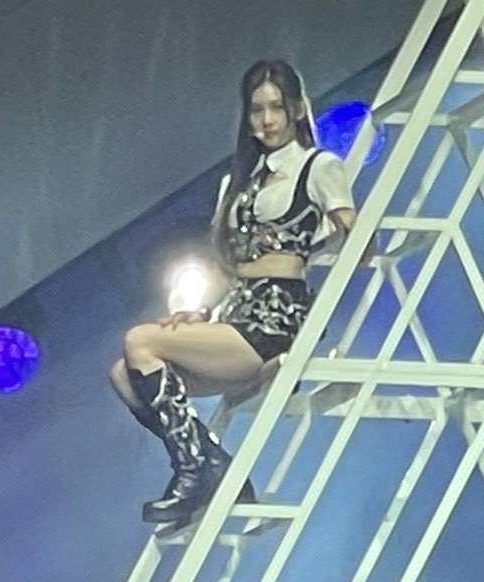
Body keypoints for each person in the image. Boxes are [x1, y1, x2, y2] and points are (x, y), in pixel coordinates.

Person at [109, 60, 356, 530]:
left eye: (276, 108)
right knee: (123, 374)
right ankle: (212, 462)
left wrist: (350, 247)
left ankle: (192, 471)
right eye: (257, 110)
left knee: (139, 340)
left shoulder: (317, 166)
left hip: (275, 319)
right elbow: (230, 266)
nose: (267, 120)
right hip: (236, 314)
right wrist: (199, 311)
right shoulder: (239, 181)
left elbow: (354, 232)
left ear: (297, 109)